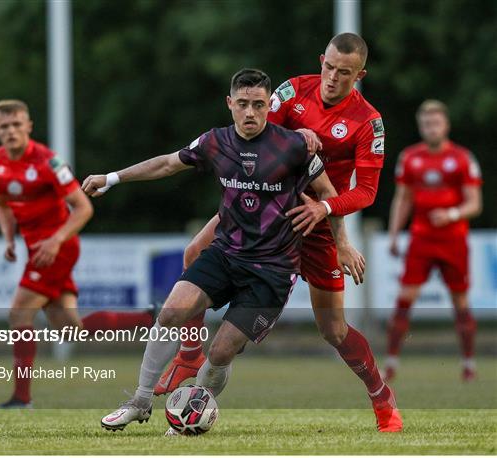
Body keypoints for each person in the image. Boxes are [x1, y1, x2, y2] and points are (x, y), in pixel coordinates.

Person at [82, 68, 364, 432]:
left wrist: (342, 243)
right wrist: (113, 178)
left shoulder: (293, 147)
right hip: (226, 254)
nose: (250, 113)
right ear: (229, 104)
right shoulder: (215, 142)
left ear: (269, 106)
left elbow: (328, 193)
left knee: (219, 352)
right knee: (170, 314)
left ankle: (187, 415)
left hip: (272, 272)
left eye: (259, 105)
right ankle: (139, 401)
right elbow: (168, 163)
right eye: (243, 104)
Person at [155, 33, 403, 432]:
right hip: (260, 206)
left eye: (345, 73)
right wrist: (290, 137)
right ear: (321, 59)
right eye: (329, 67)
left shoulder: (368, 121)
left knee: (333, 331)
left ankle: (381, 398)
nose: (333, 78)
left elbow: (367, 192)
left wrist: (333, 226)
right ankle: (189, 355)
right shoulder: (291, 90)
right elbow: (253, 129)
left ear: (360, 75)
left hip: (318, 223)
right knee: (194, 252)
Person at [0, 100, 153, 408]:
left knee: (18, 313)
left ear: (28, 126)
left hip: (58, 249)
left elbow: (83, 207)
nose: (11, 131)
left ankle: (21, 399)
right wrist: (9, 238)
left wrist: (55, 239)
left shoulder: (49, 163)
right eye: (4, 126)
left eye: (16, 125)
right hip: (37, 249)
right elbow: (1, 204)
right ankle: (149, 317)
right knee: (70, 330)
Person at [385, 99, 482, 382]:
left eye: (436, 123)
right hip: (421, 240)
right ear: (420, 127)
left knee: (460, 302)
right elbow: (402, 199)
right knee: (404, 300)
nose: (431, 128)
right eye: (426, 123)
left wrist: (451, 213)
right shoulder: (410, 157)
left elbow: (475, 204)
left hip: (454, 240)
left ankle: (468, 364)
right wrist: (394, 234)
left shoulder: (463, 158)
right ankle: (390, 364)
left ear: (446, 125)